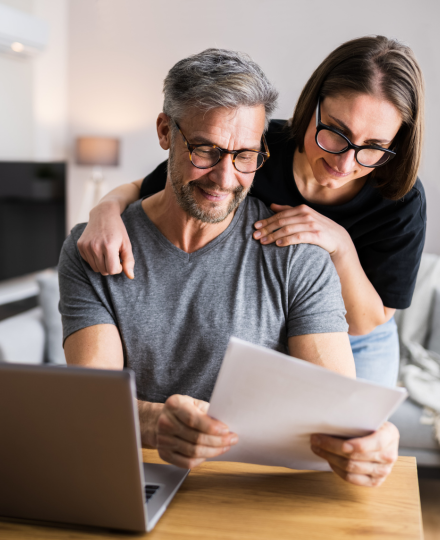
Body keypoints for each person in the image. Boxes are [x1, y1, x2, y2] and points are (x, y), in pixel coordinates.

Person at [60, 49, 399, 488]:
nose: (224, 178)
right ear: (165, 132)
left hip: (252, 494)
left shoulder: (298, 254)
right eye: (206, 150)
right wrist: (153, 423)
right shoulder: (96, 248)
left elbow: (338, 412)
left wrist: (376, 438)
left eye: (245, 156)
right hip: (134, 481)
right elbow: (92, 401)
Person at [77, 36, 426, 389]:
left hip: (359, 337)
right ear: (312, 106)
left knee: (353, 432)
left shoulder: (400, 198)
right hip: (284, 318)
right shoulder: (251, 145)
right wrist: (105, 210)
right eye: (336, 133)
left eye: (373, 147)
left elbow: (368, 321)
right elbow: (151, 187)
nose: (345, 161)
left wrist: (340, 245)